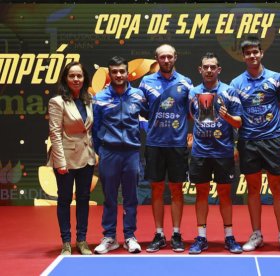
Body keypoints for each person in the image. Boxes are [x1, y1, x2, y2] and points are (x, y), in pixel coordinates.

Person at [230, 36, 280, 254]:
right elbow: (234, 114)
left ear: (261, 53)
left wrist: (275, 129)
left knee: (277, 187)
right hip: (248, 141)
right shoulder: (236, 84)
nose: (252, 56)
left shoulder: (276, 78)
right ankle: (256, 233)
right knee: (253, 188)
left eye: (255, 52)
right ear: (243, 56)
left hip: (272, 139)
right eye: (248, 53)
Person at [139, 44, 192, 253]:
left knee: (177, 190)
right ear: (157, 59)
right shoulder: (146, 82)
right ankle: (159, 233)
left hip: (177, 144)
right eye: (163, 57)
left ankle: (177, 233)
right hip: (154, 143)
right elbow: (142, 109)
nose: (167, 60)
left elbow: (191, 112)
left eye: (170, 56)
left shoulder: (186, 83)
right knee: (157, 189)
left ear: (175, 57)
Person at [188, 52, 243, 254]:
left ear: (219, 70)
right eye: (206, 67)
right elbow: (190, 115)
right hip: (201, 152)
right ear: (200, 70)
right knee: (201, 194)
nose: (209, 70)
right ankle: (201, 238)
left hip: (223, 152)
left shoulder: (230, 92)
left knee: (224, 195)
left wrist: (226, 116)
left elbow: (239, 122)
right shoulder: (192, 92)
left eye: (213, 67)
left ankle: (229, 237)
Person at [92, 56, 147, 254]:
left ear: (127, 73)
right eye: (114, 72)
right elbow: (95, 128)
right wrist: (101, 151)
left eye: (121, 71)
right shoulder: (100, 98)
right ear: (109, 73)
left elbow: (147, 118)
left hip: (131, 153)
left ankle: (130, 236)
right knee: (109, 197)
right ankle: (109, 237)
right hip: (109, 152)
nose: (118, 75)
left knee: (131, 197)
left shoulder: (139, 96)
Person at [48, 61, 96, 255]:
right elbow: (55, 133)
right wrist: (60, 162)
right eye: (72, 76)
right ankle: (66, 242)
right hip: (65, 158)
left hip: (87, 157)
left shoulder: (89, 99)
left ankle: (82, 240)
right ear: (65, 79)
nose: (76, 79)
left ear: (84, 79)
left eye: (79, 76)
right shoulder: (57, 101)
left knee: (84, 199)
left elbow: (89, 129)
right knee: (65, 199)